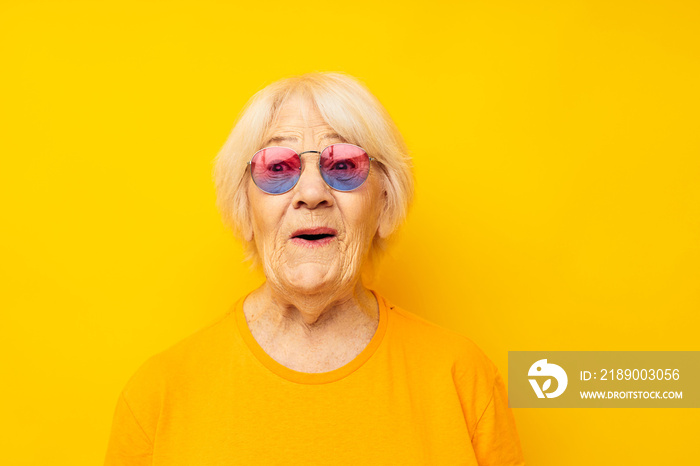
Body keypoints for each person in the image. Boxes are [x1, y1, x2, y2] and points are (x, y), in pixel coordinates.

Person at [104, 72, 525, 465]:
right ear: (245, 209)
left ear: (385, 203)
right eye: (277, 167)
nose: (310, 192)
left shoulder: (462, 379)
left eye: (343, 165)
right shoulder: (157, 396)